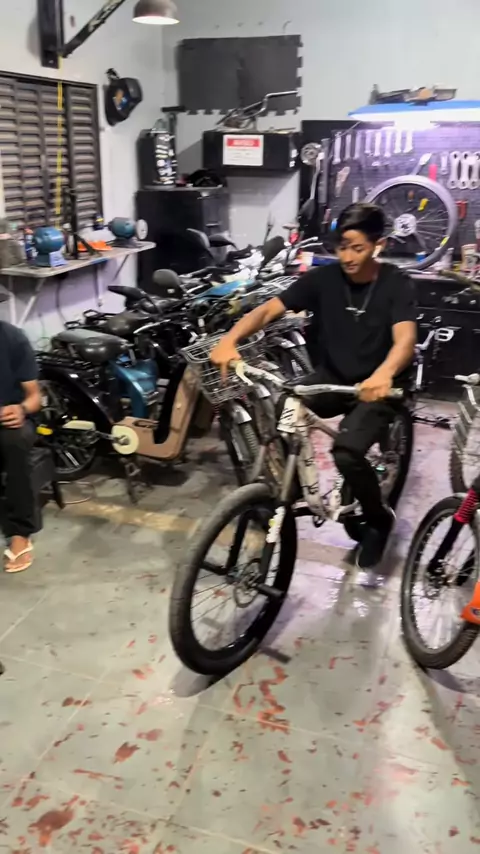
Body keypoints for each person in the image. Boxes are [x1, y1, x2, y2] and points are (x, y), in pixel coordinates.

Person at [210, 203, 417, 571]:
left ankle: (378, 520)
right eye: (342, 247)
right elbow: (268, 309)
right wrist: (230, 340)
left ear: (378, 245)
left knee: (347, 453)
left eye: (358, 248)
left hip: (380, 385)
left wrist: (385, 374)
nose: (348, 257)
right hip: (333, 376)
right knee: (285, 409)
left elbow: (405, 340)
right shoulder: (324, 279)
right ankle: (284, 491)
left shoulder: (396, 284)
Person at [0, 321, 42, 573]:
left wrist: (22, 409)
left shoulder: (11, 338)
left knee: (14, 441)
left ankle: (20, 532)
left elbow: (35, 396)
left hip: (10, 419)